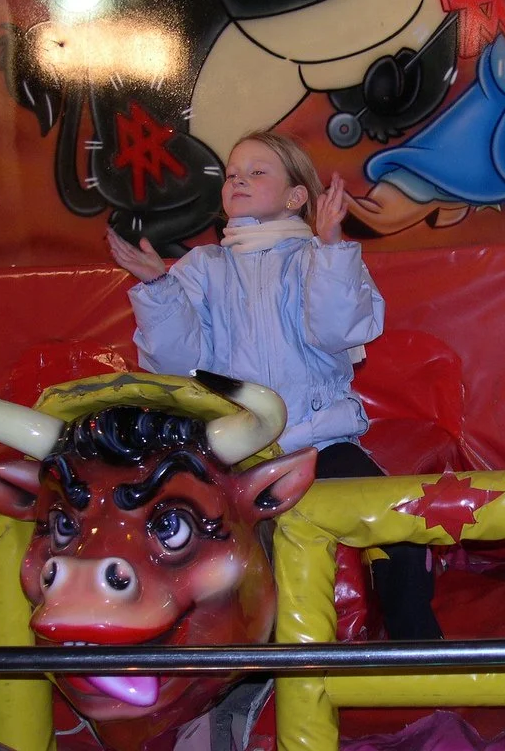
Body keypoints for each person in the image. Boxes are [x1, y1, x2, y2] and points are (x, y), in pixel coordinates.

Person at [107, 130, 442, 640]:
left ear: (295, 196)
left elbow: (336, 331)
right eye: (232, 174)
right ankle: (233, 674)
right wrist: (158, 287)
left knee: (400, 523)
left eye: (256, 172)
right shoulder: (203, 268)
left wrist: (331, 248)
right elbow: (176, 363)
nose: (238, 180)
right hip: (232, 452)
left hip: (317, 442)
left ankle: (417, 647)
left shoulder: (319, 259)